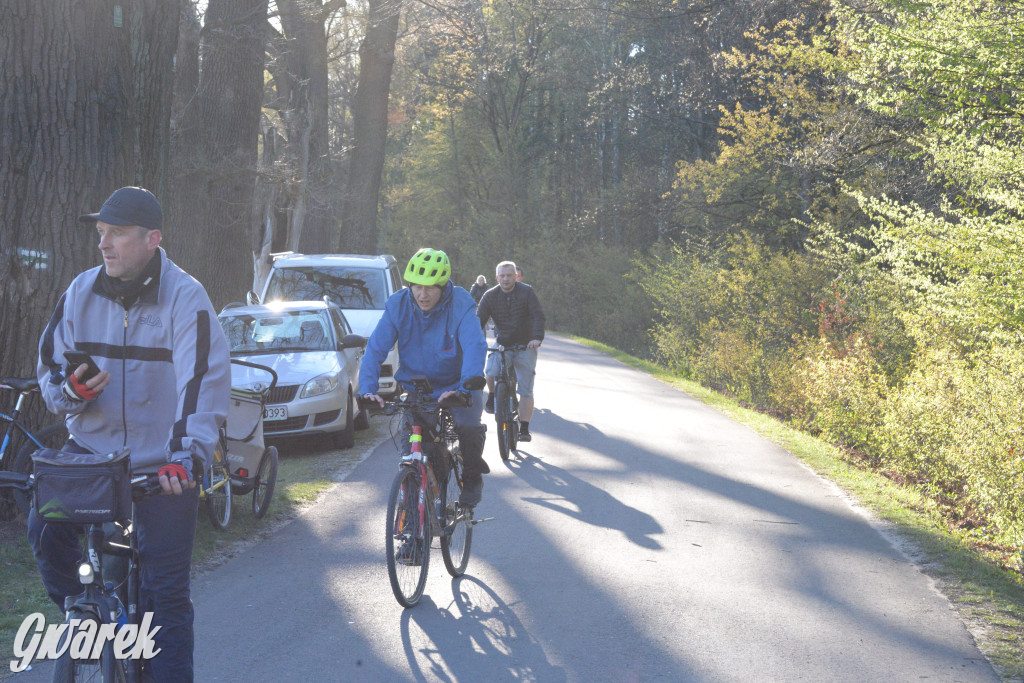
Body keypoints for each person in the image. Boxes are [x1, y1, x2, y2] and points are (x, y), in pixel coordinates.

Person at [31, 186, 231, 682]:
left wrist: (185, 457)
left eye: (117, 234)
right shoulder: (80, 292)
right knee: (44, 530)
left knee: (166, 597)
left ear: (151, 240)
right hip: (94, 452)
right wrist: (72, 391)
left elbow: (202, 381)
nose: (104, 244)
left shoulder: (187, 298)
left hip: (163, 462)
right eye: (101, 233)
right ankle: (90, 614)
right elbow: (51, 370)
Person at [359, 248, 489, 506]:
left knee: (468, 427)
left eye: (430, 287)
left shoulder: (461, 303)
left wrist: (464, 388)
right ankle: (413, 522)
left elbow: (475, 346)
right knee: (413, 451)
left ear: (443, 287)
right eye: (417, 286)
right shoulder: (398, 305)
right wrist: (368, 388)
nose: (423, 294)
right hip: (418, 387)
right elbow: (375, 348)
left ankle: (472, 477)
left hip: (458, 385)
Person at [476, 260, 545, 441]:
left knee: (525, 389)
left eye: (509, 275)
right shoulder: (490, 296)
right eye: (502, 276)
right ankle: (492, 395)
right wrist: (473, 340)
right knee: (490, 370)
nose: (505, 279)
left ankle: (524, 428)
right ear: (497, 277)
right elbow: (478, 320)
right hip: (503, 344)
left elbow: (538, 315)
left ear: (515, 276)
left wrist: (536, 338)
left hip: (525, 344)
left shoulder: (527, 292)